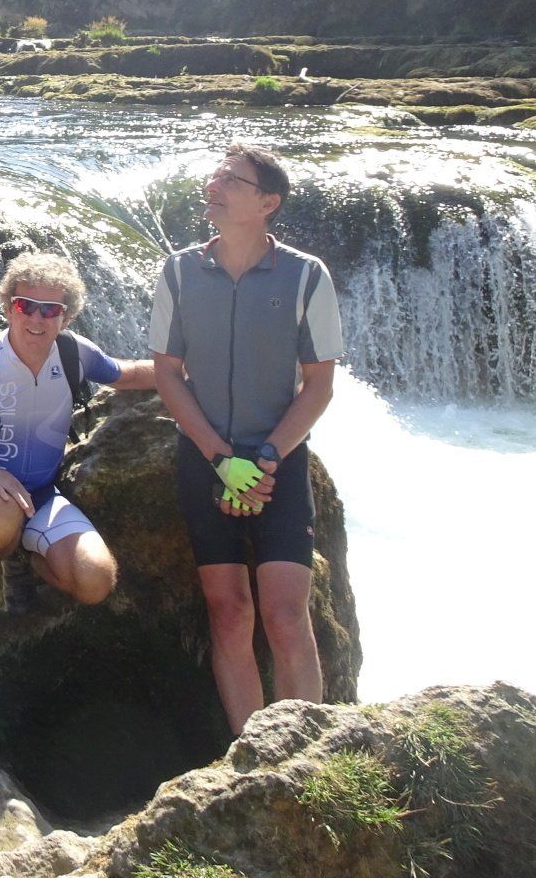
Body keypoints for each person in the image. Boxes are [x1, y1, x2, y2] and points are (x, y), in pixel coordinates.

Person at [148, 142, 344, 734]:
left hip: (276, 463)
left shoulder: (308, 275)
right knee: (229, 613)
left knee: (286, 617)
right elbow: (165, 373)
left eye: (231, 180)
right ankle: (252, 756)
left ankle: (310, 757)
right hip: (205, 460)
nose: (214, 186)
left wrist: (262, 460)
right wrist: (219, 457)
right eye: (215, 175)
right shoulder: (178, 272)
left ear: (267, 203)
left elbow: (320, 385)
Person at [0, 252, 156, 647]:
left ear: (66, 316)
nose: (36, 319)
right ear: (7, 307)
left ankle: (21, 558)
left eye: (50, 310)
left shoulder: (75, 354)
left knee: (95, 580)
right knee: (2, 512)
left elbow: (129, 373)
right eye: (25, 305)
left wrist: (191, 374)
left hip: (40, 496)